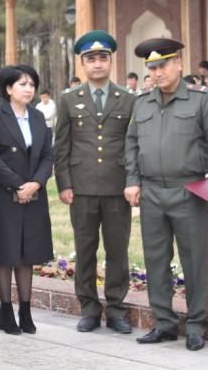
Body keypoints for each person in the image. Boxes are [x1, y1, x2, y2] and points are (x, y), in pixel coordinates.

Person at [125, 38, 208, 352]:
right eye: (152, 68)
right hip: (152, 193)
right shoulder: (142, 102)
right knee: (156, 260)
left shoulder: (201, 101)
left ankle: (197, 326)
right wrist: (132, 180)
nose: (157, 73)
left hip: (190, 190)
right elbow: (131, 145)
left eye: (163, 65)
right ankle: (164, 324)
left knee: (195, 260)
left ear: (179, 64)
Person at [53, 31, 135, 335]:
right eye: (91, 59)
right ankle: (88, 308)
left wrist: (133, 182)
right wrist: (64, 183)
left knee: (118, 251)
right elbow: (61, 144)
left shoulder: (128, 99)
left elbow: (133, 145)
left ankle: (116, 309)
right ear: (82, 65)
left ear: (111, 62)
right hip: (82, 188)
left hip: (117, 188)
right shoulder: (68, 99)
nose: (97, 64)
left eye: (103, 58)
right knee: (85, 249)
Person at [0, 64, 53, 335]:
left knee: (27, 254)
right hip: (6, 194)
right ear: (9, 89)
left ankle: (25, 309)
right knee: (5, 253)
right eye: (22, 84)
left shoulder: (37, 116)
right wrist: (18, 184)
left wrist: (35, 184)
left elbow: (47, 154)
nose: (28, 89)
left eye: (32, 84)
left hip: (33, 195)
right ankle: (5, 310)